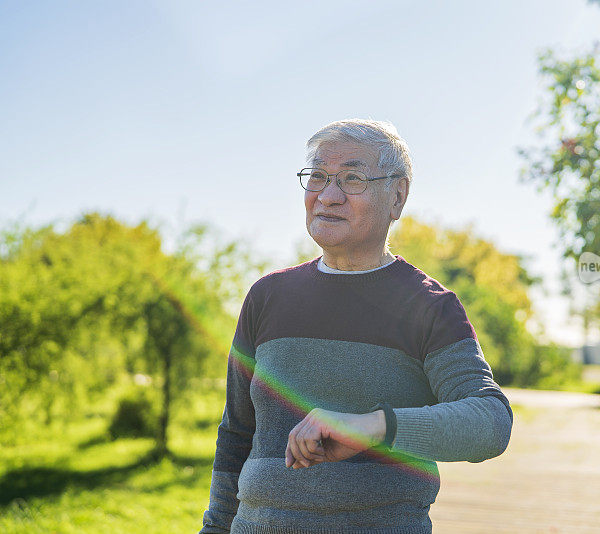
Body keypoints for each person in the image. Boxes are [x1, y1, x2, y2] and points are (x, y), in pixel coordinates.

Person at [199, 118, 513, 534]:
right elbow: (237, 433)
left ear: (397, 198)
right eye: (318, 177)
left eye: (352, 178)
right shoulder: (267, 296)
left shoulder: (430, 306)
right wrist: (216, 528)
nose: (328, 196)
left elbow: (491, 421)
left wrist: (371, 427)